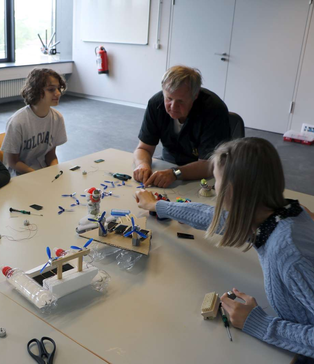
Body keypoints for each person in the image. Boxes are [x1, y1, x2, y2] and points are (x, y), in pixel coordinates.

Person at [135, 137, 314, 359]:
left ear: (231, 191)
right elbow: (217, 218)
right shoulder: (280, 214)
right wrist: (158, 205)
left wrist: (257, 323)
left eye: (215, 179)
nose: (213, 185)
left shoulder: (288, 254)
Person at [133, 65, 230, 188]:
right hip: (168, 163)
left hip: (204, 173)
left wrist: (175, 173)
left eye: (180, 101)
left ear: (195, 96)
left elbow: (211, 165)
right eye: (169, 98)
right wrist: (142, 165)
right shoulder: (155, 104)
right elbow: (143, 148)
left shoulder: (214, 110)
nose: (173, 107)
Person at [1, 68, 67, 177]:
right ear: (36, 91)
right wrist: (37, 175)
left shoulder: (57, 118)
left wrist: (54, 171)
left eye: (58, 88)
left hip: (41, 172)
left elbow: (51, 155)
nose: (58, 93)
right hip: (19, 176)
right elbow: (13, 162)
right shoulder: (18, 122)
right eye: (51, 89)